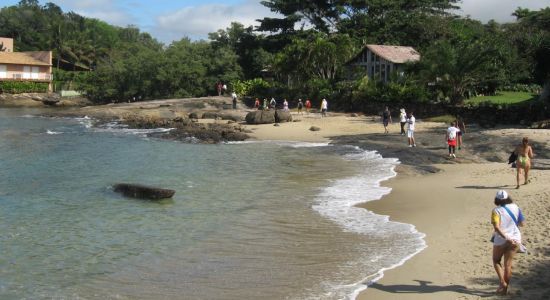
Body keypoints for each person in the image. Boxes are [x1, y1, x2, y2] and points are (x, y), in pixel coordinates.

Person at [491, 190, 525, 295]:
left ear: (496, 199)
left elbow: (496, 227)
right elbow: (522, 223)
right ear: (507, 198)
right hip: (515, 239)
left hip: (501, 239)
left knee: (496, 261)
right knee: (508, 265)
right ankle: (504, 290)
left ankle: (502, 283)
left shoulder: (495, 211)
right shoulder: (516, 207)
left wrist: (506, 236)